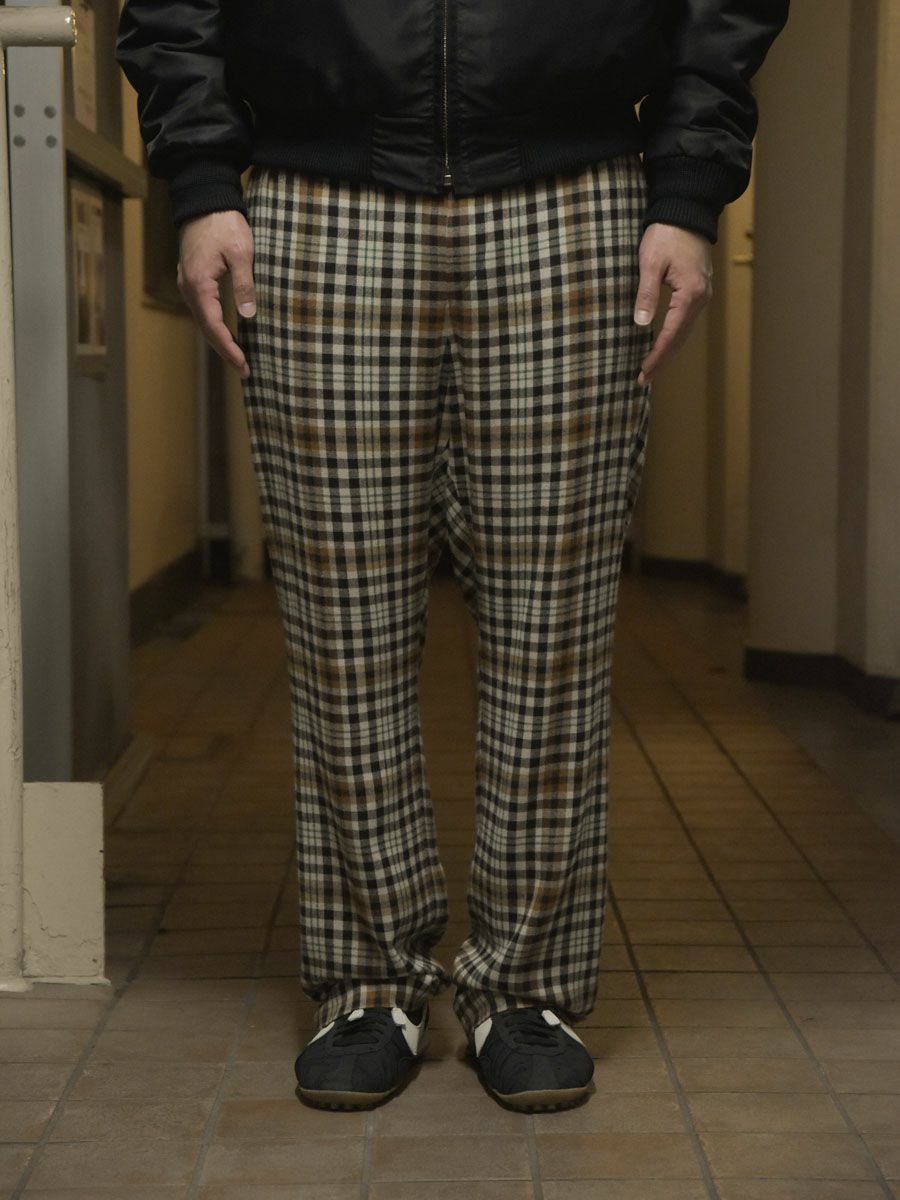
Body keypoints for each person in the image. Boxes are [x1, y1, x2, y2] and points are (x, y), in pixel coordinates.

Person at [115, 0, 790, 1114]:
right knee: (342, 623)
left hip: (575, 192)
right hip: (319, 192)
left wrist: (687, 188)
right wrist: (200, 176)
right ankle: (369, 981)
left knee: (553, 626)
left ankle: (524, 986)